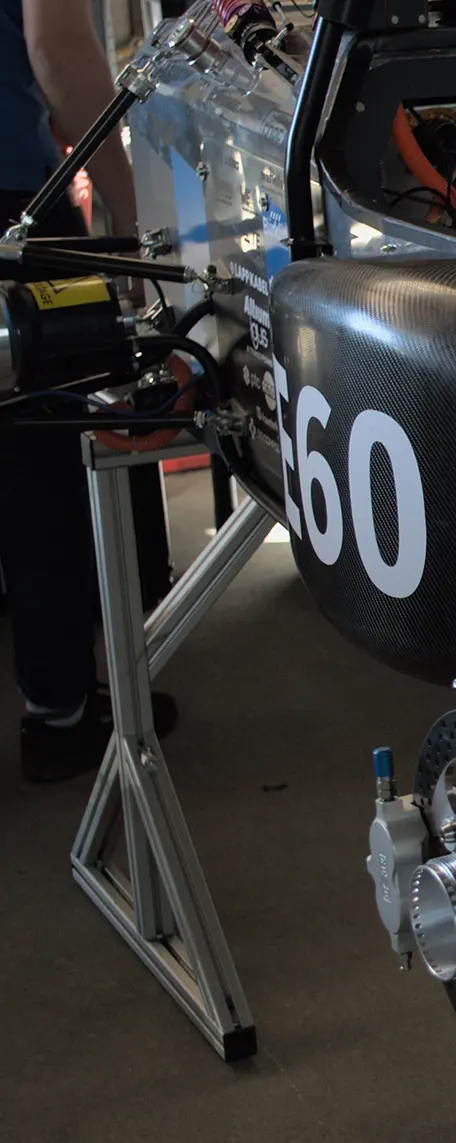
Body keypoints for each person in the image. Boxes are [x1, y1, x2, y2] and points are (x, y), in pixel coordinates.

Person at [1, 0, 174, 782]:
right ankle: (60, 710)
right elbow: (55, 45)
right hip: (14, 203)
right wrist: (134, 212)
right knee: (39, 465)